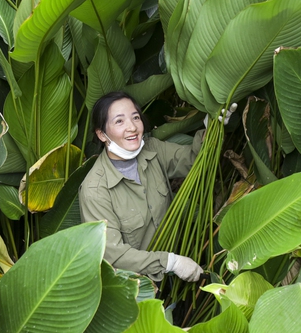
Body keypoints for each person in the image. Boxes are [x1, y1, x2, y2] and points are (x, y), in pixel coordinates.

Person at [78, 91, 235, 282]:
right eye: (119, 121)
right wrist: (171, 263)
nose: (132, 127)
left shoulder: (152, 149)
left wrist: (211, 129)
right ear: (101, 134)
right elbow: (113, 256)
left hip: (175, 279)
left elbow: (195, 161)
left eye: (135, 117)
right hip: (135, 290)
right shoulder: (95, 190)